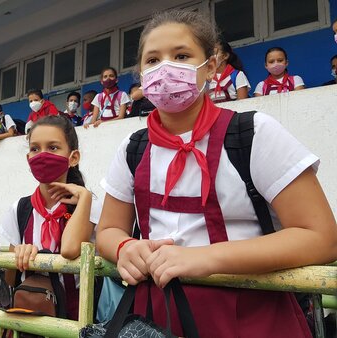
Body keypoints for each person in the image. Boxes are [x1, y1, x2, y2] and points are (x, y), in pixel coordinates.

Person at [95, 10, 337, 338]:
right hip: (156, 319)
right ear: (141, 74)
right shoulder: (132, 147)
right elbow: (108, 229)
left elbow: (321, 237)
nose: (165, 68)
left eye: (181, 56)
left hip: (253, 318)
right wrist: (125, 248)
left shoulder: (254, 133)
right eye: (152, 61)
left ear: (211, 66)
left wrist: (205, 259)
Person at [1, 115, 99, 320]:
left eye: (53, 148)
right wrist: (19, 256)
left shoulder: (89, 205)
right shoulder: (19, 209)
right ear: (29, 158)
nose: (42, 155)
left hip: (77, 318)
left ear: (73, 158)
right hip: (31, 317)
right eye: (35, 149)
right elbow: (10, 280)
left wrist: (84, 197)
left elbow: (70, 249)